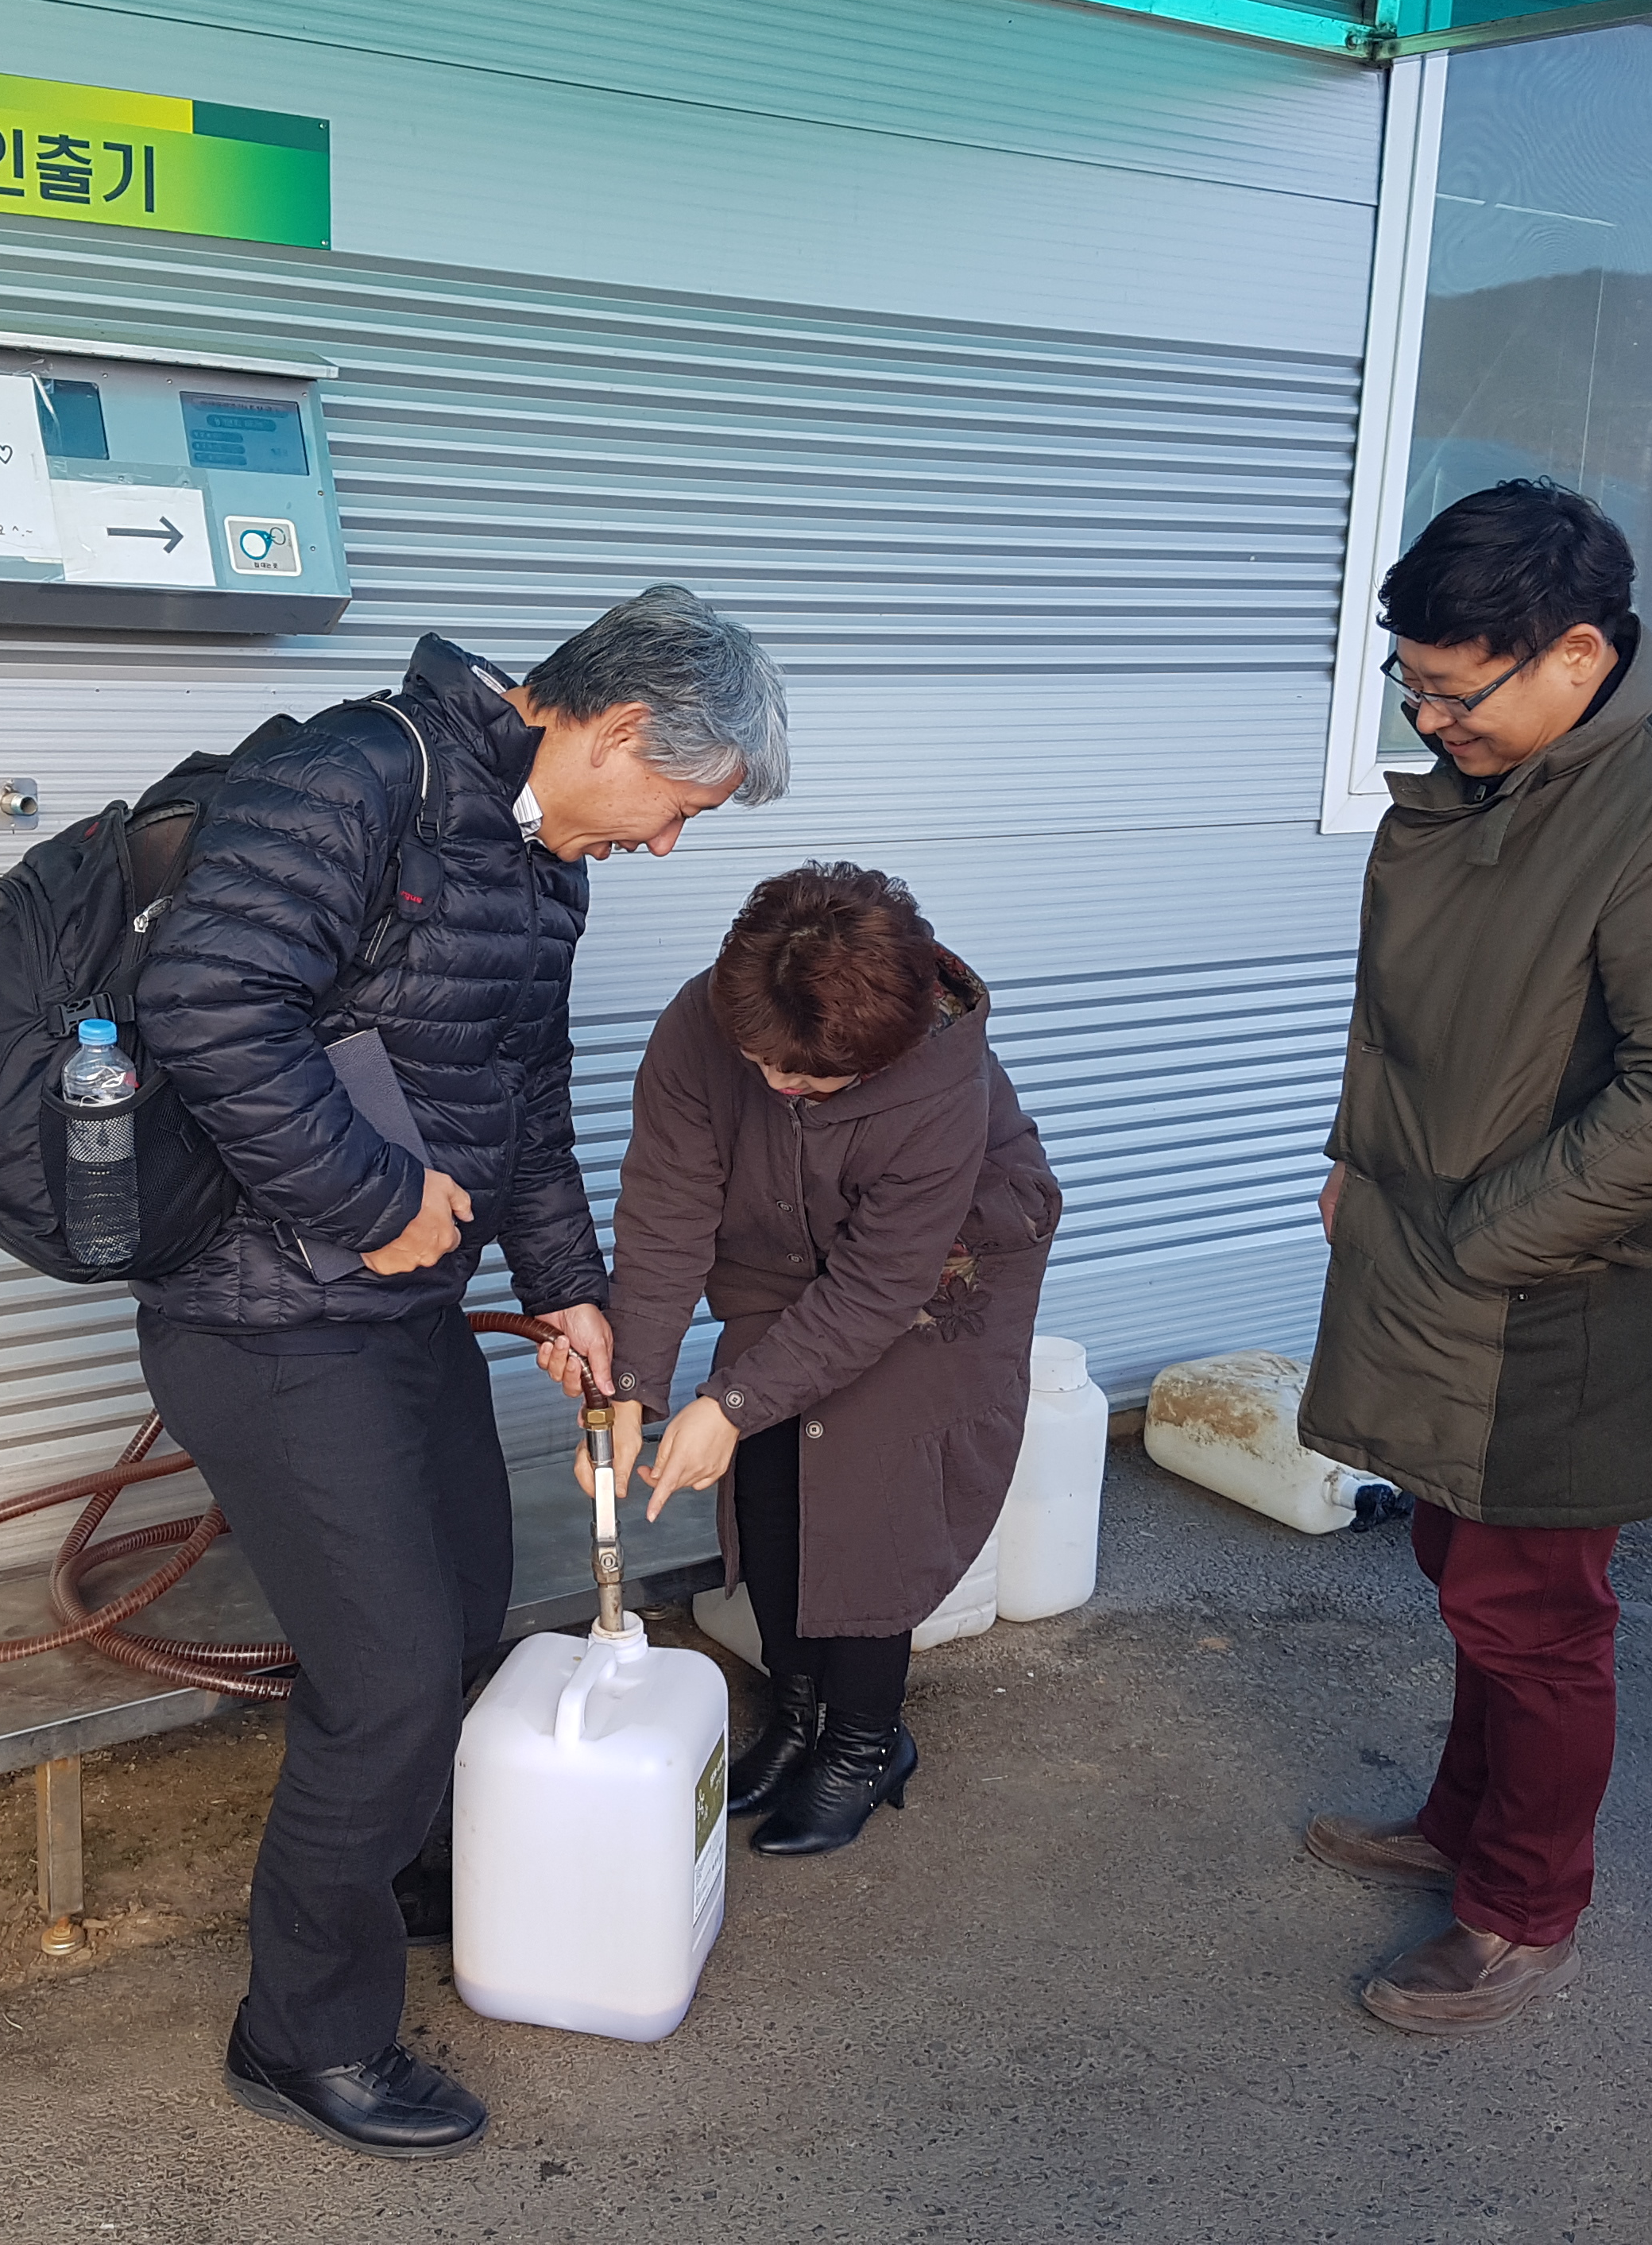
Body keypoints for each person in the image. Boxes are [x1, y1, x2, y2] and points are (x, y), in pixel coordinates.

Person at [133, 587, 786, 2160]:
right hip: (264, 1321)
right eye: (679, 810)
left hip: (395, 1314)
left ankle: (414, 1870)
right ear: (620, 731)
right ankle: (302, 2033)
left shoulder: (541, 862)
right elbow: (203, 1002)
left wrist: (571, 1298)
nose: (668, 846)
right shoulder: (366, 775)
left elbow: (524, 1099)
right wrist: (371, 1197)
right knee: (391, 1677)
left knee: (475, 1596)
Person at [1296, 479, 1652, 2034]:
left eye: (1458, 692)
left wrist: (1478, 1241)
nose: (1432, 721)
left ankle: (1523, 1910)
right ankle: (1462, 1823)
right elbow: (1410, 1010)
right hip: (1441, 1256)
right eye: (1416, 688)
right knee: (1466, 1575)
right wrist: (1352, 1155)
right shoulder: (1511, 783)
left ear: (1578, 652)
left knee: (1537, 1613)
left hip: (1563, 1306)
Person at [590, 863, 1061, 1856]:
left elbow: (879, 1286)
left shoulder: (939, 1084)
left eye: (808, 1078)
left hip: (944, 1270)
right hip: (776, 1240)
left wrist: (731, 1397)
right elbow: (670, 1201)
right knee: (765, 1482)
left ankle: (862, 1740)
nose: (778, 1086)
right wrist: (637, 1378)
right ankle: (796, 1718)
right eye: (763, 1062)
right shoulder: (703, 1025)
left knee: (865, 1497)